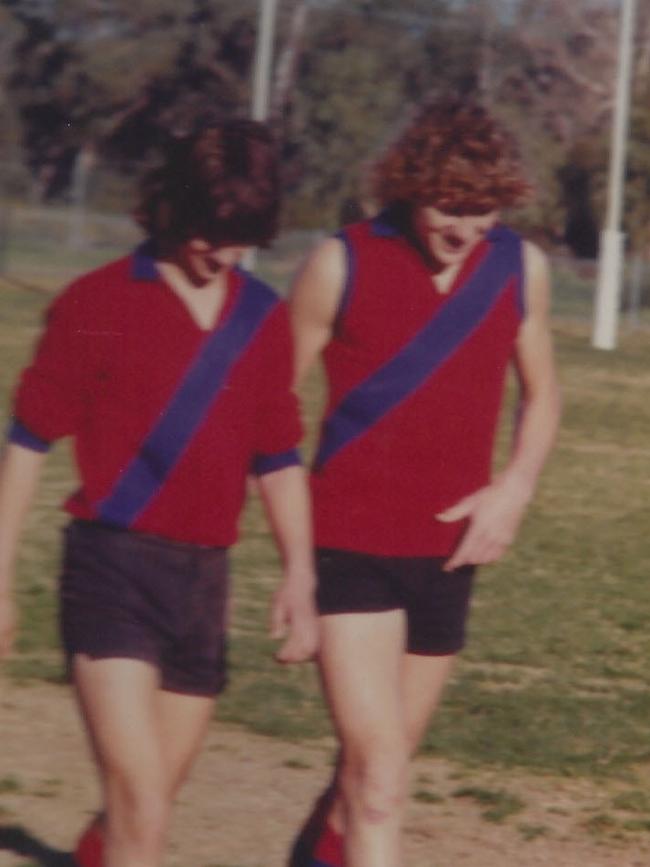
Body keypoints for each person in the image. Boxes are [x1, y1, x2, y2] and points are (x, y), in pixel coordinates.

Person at [0, 118, 318, 867]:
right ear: (173, 208)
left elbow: (277, 456)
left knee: (142, 808)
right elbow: (26, 445)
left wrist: (300, 574)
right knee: (142, 805)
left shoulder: (262, 317)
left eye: (243, 239)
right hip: (111, 570)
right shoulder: (95, 303)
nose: (224, 254)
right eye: (211, 233)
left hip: (205, 580)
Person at [288, 98, 561, 867]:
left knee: (369, 777)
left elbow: (542, 394)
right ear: (408, 186)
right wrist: (289, 554)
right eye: (447, 204)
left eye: (481, 210)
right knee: (379, 780)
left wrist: (514, 487)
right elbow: (267, 402)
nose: (462, 227)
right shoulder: (340, 261)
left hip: (449, 554)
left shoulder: (519, 267)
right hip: (349, 545)